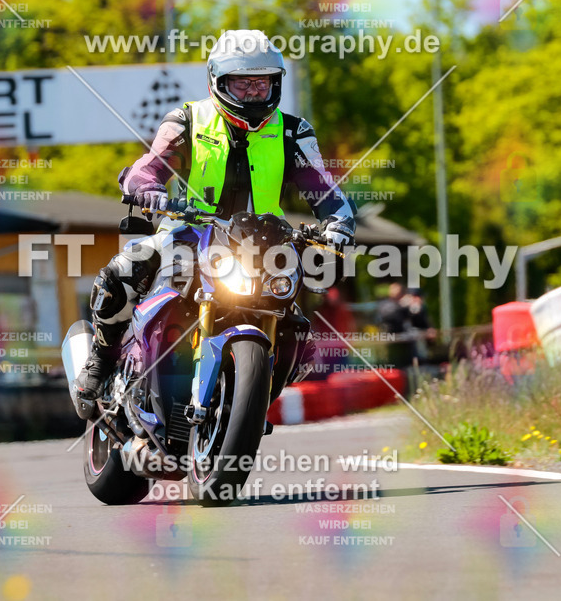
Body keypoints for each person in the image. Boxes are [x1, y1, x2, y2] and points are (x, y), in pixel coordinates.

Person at [74, 29, 356, 407]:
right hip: (189, 231)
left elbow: (324, 189)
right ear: (218, 81)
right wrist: (147, 187)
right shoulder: (187, 119)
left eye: (263, 83)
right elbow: (151, 165)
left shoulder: (293, 132)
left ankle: (250, 399)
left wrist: (338, 222)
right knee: (122, 271)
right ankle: (100, 361)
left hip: (265, 246)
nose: (254, 93)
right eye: (243, 84)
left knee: (295, 325)